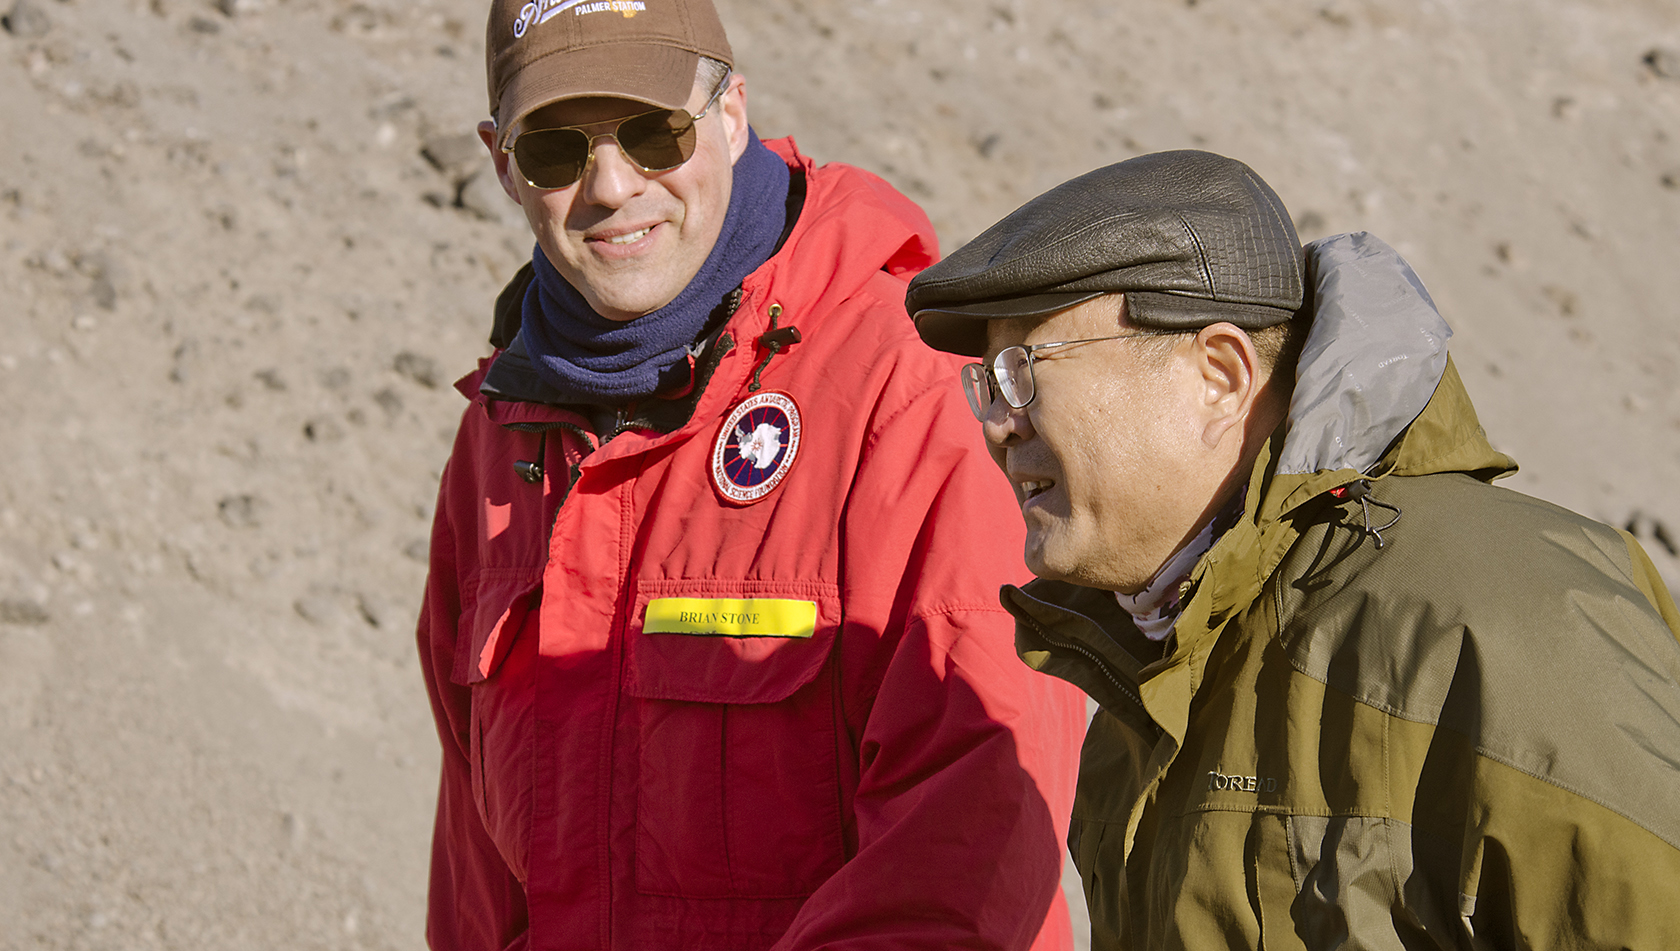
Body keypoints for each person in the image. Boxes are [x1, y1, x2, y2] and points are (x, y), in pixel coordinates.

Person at [414, 1, 1087, 948]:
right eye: (557, 151)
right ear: (500, 162)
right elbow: (479, 884)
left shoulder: (905, 388)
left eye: (654, 134)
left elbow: (966, 851)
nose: (610, 187)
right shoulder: (500, 437)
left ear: (731, 115)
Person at [905, 149, 1680, 950]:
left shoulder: (1500, 624)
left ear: (1219, 376)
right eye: (988, 386)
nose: (998, 424)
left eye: (1024, 369)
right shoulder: (1144, 687)